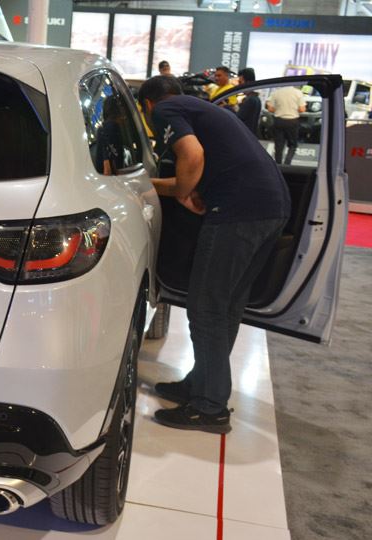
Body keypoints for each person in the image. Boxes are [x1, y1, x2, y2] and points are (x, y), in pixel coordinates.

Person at [137, 75, 290, 434]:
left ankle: (210, 407)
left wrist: (181, 192)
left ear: (148, 105)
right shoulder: (202, 108)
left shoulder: (166, 110)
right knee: (225, 307)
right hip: (272, 207)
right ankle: (200, 385)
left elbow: (192, 156)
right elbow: (191, 173)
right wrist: (165, 188)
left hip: (238, 212)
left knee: (205, 308)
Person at [266, 85, 305, 165]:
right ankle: (287, 163)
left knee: (279, 145)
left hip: (279, 121)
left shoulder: (276, 93)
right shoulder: (298, 93)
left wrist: (280, 109)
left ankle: (278, 164)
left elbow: (270, 109)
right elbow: (302, 109)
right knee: (292, 145)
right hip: (292, 121)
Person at [235, 67, 261, 135]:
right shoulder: (256, 99)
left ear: (248, 82)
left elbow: (237, 119)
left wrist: (228, 107)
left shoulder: (250, 100)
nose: (239, 85)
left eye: (240, 82)